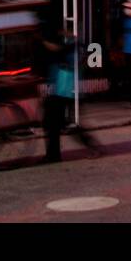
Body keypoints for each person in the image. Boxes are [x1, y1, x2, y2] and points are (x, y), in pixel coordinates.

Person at [42, 32, 98, 163]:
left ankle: (91, 147)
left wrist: (41, 39)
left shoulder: (71, 44)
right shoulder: (70, 43)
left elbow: (58, 51)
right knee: (57, 122)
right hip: (62, 88)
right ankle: (53, 154)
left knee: (60, 122)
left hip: (66, 89)